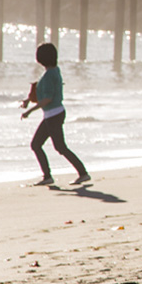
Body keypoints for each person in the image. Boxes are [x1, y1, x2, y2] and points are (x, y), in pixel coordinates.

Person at [21, 43, 90, 187]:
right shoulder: (54, 71)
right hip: (53, 114)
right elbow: (44, 92)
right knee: (37, 145)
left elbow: (48, 99)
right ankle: (49, 176)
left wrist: (29, 111)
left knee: (58, 147)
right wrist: (29, 100)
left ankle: (82, 173)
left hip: (53, 115)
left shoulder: (49, 75)